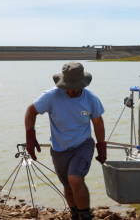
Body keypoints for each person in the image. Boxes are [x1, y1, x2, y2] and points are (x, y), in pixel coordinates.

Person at [24, 61, 106, 220]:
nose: (70, 90)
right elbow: (30, 111)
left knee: (75, 178)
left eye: (74, 86)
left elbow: (98, 123)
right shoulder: (51, 96)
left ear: (83, 84)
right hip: (59, 148)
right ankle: (75, 213)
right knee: (68, 187)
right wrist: (30, 137)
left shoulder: (91, 99)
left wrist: (102, 147)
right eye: (67, 86)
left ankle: (85, 215)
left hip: (83, 144)